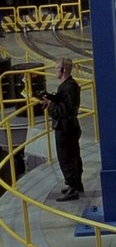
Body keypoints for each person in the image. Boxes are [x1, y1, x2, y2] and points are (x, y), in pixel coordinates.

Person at [42, 58, 82, 201]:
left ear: (63, 70)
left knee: (66, 157)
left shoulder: (68, 87)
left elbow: (64, 110)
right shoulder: (68, 85)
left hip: (65, 128)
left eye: (56, 68)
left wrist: (50, 105)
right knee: (73, 155)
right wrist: (51, 97)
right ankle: (76, 184)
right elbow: (63, 100)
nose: (55, 71)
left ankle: (72, 187)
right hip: (70, 127)